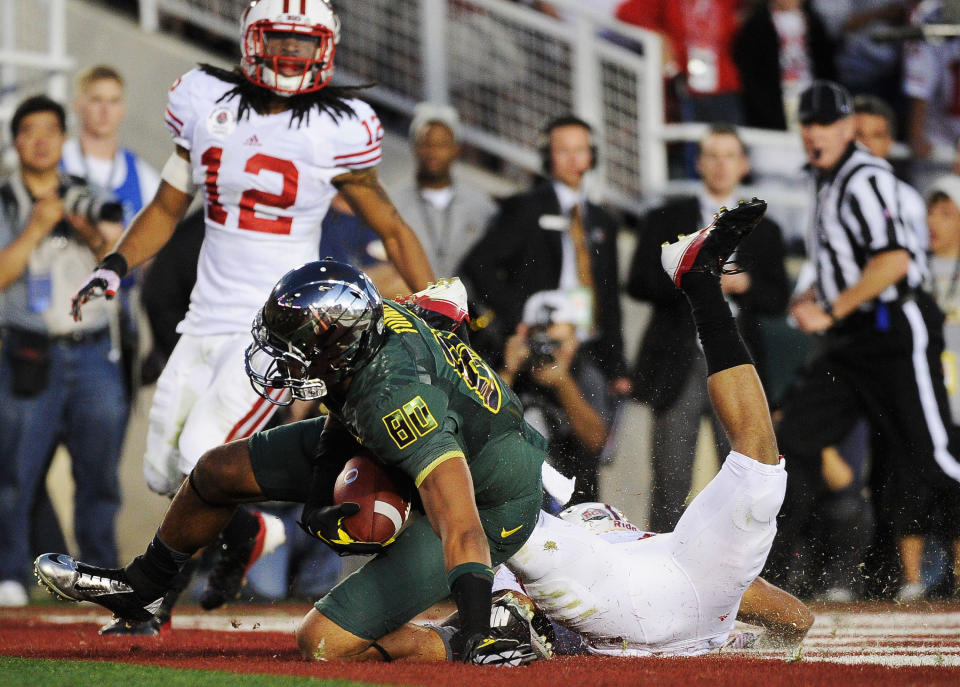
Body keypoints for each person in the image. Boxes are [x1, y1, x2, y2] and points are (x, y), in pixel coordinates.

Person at [68, 0, 435, 633]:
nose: (292, 56)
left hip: (277, 329)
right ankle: (250, 531)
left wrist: (438, 305)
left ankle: (151, 596)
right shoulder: (205, 101)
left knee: (197, 458)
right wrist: (113, 264)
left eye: (304, 43)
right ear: (250, 40)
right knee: (163, 469)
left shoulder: (336, 126)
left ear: (326, 47)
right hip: (203, 318)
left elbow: (393, 227)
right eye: (281, 41)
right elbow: (163, 206)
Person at [36, 259, 548, 666]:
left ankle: (483, 631)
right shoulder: (368, 340)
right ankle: (145, 589)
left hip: (491, 500)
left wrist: (480, 638)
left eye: (295, 345)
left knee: (323, 642)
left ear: (340, 346)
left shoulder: (397, 401)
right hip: (409, 438)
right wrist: (324, 482)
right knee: (218, 471)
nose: (281, 357)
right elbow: (446, 302)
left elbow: (460, 525)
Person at [494, 198, 804, 655]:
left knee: (760, 478)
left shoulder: (563, 538)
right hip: (663, 597)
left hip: (641, 596)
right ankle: (701, 283)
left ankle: (699, 279)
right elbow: (793, 619)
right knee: (760, 476)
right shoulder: (582, 538)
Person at [770, 80, 960, 602]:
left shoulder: (867, 178)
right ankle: (768, 579)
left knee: (935, 458)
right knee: (789, 443)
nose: (815, 132)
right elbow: (847, 258)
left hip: (893, 330)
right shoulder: (827, 179)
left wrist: (831, 307)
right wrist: (818, 293)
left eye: (826, 122)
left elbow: (894, 261)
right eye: (807, 123)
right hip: (852, 340)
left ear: (849, 127)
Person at [626, 124, 788, 532]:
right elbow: (639, 281)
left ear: (743, 164)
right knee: (670, 478)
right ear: (699, 163)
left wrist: (745, 283)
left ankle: (742, 584)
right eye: (712, 156)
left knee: (743, 474)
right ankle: (662, 575)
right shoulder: (665, 218)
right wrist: (693, 277)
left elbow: (777, 297)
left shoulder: (765, 229)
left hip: (736, 360)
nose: (720, 165)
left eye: (729, 156)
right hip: (678, 356)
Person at [0, 95, 127, 606]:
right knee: (13, 474)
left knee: (99, 476)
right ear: (16, 142)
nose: (41, 139)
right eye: (29, 130)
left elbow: (119, 267)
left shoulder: (89, 195)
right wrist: (36, 226)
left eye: (50, 129)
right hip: (30, 351)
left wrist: (94, 234)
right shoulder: (6, 200)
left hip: (93, 350)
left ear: (63, 138)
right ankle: (9, 571)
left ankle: (100, 577)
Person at [491, 501, 813, 655]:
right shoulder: (657, 543)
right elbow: (798, 620)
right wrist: (756, 648)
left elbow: (503, 614)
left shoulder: (552, 554)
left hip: (599, 624)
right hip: (675, 591)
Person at [460, 114, 628, 392]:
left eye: (581, 150)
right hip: (539, 346)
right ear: (547, 156)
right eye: (563, 150)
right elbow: (479, 264)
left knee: (596, 432)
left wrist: (617, 367)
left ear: (592, 156)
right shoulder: (527, 208)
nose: (573, 159)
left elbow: (608, 298)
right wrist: (524, 317)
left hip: (589, 348)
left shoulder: (602, 220)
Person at [498, 289, 613, 505]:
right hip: (518, 500)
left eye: (556, 344)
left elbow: (597, 441)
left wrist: (563, 384)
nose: (546, 352)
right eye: (539, 343)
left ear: (574, 342)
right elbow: (482, 426)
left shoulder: (586, 375)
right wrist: (508, 371)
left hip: (575, 504)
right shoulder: (516, 372)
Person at [386, 102, 497, 279]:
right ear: (414, 146)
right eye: (427, 144)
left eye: (442, 145)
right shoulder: (392, 202)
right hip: (410, 301)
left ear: (456, 149)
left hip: (467, 302)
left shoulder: (480, 204)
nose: (433, 153)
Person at [733, 0, 836, 131]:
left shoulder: (814, 22)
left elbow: (826, 63)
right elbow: (749, 68)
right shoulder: (758, 23)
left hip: (809, 95)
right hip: (772, 103)